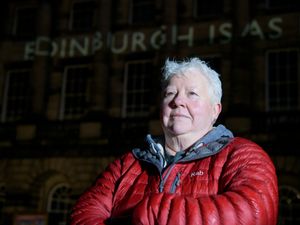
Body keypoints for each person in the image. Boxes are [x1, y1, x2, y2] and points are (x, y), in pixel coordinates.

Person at [70, 57, 278, 225]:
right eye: (170, 93)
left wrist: (152, 213)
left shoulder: (242, 155)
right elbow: (83, 213)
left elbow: (253, 213)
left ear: (215, 110)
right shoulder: (128, 163)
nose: (178, 101)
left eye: (192, 94)